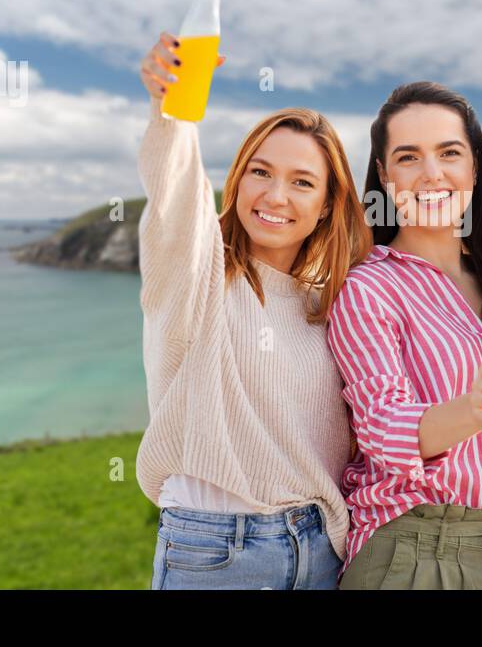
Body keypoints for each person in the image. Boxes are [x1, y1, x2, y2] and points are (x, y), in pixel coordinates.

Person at [136, 32, 371, 589]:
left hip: (322, 552)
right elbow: (174, 200)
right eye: (260, 172)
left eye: (302, 182)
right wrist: (171, 109)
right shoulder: (197, 277)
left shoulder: (330, 304)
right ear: (237, 178)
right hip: (218, 552)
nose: (275, 196)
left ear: (325, 206)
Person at [327, 81, 482, 589]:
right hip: (421, 552)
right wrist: (473, 410)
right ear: (386, 177)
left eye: (448, 153)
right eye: (408, 157)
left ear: (474, 168)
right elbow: (382, 429)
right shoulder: (369, 287)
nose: (431, 174)